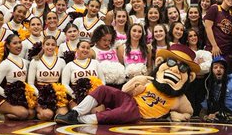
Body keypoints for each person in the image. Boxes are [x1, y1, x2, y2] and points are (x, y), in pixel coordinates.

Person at [58, 43, 199, 126]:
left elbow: (189, 112)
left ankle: (79, 120)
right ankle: (74, 113)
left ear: (190, 76)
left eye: (182, 68)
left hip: (137, 113)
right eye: (171, 63)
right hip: (128, 99)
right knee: (103, 89)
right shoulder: (148, 80)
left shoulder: (180, 99)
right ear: (160, 63)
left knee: (116, 114)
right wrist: (136, 84)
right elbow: (125, 90)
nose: (174, 69)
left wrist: (177, 116)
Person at [0, 34, 33, 121]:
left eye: (19, 42)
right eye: (15, 43)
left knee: (32, 113)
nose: (18, 45)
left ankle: (9, 115)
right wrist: (9, 96)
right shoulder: (5, 64)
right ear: (8, 46)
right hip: (4, 98)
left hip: (20, 96)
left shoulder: (25, 62)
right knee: (23, 113)